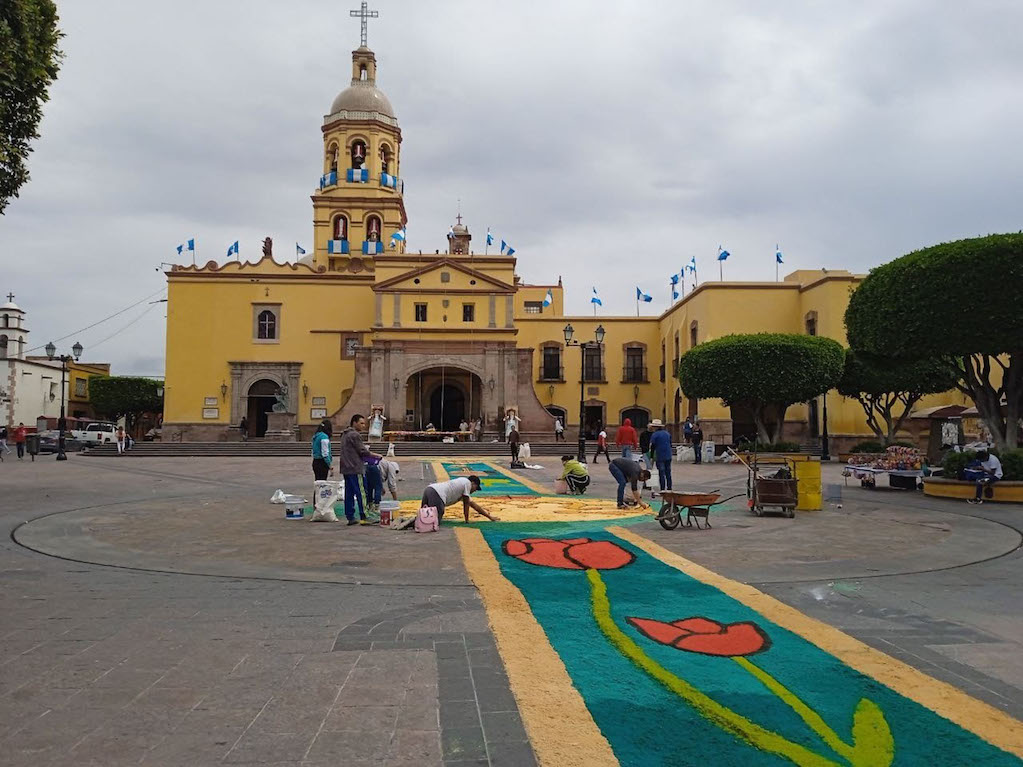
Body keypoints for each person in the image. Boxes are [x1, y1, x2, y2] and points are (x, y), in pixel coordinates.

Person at [338, 414, 383, 525]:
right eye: (361, 423)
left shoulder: (344, 434)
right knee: (361, 492)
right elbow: (362, 451)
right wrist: (375, 455)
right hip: (355, 468)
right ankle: (365, 515)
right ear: (354, 422)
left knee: (349, 493)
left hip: (346, 468)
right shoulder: (354, 435)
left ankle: (350, 516)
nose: (363, 425)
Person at [421, 475, 499, 522]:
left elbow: (475, 506)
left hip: (429, 489)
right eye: (475, 488)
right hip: (437, 494)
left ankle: (414, 522)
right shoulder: (467, 483)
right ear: (473, 483)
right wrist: (467, 520)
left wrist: (490, 517)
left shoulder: (462, 486)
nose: (474, 491)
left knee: (424, 515)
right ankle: (412, 523)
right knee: (433, 520)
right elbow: (466, 504)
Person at [649, 419, 673, 492]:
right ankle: (669, 488)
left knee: (661, 473)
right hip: (668, 455)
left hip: (660, 456)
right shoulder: (667, 433)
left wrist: (651, 457)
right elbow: (670, 444)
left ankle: (662, 489)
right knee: (668, 472)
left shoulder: (654, 435)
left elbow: (652, 446)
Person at [363, 455, 383, 520]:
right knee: (378, 487)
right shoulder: (390, 467)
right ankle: (377, 506)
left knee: (369, 487)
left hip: (366, 467)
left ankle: (370, 505)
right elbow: (391, 483)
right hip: (375, 468)